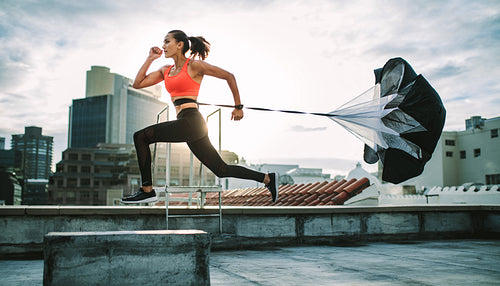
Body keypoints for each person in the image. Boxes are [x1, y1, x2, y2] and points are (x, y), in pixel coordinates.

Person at [121, 30, 278, 204]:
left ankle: (147, 190)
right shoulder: (165, 70)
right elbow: (138, 84)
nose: (163, 46)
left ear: (180, 45)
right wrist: (150, 59)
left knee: (140, 137)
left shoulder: (194, 66)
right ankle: (267, 179)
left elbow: (229, 76)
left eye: (167, 42)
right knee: (221, 169)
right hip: (187, 124)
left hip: (192, 121)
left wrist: (238, 106)